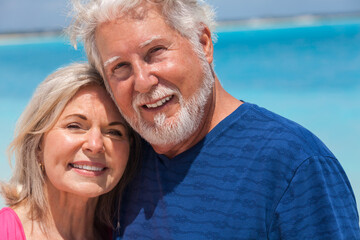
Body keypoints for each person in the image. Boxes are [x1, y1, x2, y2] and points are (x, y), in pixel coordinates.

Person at [68, 0, 360, 239]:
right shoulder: (120, 162)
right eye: (120, 67)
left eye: (155, 52)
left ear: (203, 43)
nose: (143, 82)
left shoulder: (294, 164)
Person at [0, 63, 140, 239]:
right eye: (75, 126)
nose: (95, 144)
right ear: (38, 145)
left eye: (114, 132)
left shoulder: (130, 234)